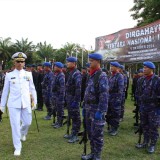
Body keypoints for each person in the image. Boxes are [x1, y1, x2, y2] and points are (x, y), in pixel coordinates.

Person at [0, 52, 37, 156]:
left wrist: (35, 101)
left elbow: (32, 88)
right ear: (14, 62)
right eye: (18, 61)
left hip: (26, 103)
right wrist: (2, 106)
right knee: (15, 125)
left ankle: (22, 133)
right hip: (13, 104)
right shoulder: (9, 75)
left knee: (27, 122)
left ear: (24, 62)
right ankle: (17, 147)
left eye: (22, 61)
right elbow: (5, 91)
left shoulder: (28, 74)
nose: (20, 63)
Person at [82, 53, 108, 160]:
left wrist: (101, 111)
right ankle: (92, 153)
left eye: (92, 60)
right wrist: (84, 106)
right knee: (90, 133)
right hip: (88, 109)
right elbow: (87, 92)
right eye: (90, 60)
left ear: (98, 62)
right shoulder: (91, 75)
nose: (89, 62)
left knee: (97, 134)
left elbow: (104, 95)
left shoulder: (102, 76)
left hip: (96, 110)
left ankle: (97, 155)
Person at [135, 61, 160, 153]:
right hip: (143, 107)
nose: (144, 69)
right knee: (144, 125)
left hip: (154, 108)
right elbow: (137, 92)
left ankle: (152, 144)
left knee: (153, 126)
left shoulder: (157, 80)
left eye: (146, 68)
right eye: (144, 67)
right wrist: (139, 101)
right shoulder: (141, 80)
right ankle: (145, 142)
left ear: (151, 69)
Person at [63, 57, 82, 143]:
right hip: (69, 98)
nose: (67, 63)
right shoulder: (71, 72)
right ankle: (72, 133)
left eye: (69, 62)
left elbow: (78, 88)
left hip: (74, 99)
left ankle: (75, 135)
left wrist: (76, 101)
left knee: (76, 118)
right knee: (71, 116)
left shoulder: (77, 74)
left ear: (74, 63)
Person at [107, 62, 124, 136]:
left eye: (113, 66)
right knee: (110, 113)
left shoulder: (119, 76)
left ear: (117, 68)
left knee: (115, 114)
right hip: (110, 97)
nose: (111, 68)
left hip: (116, 98)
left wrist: (118, 99)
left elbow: (120, 89)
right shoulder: (111, 76)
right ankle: (111, 127)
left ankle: (115, 128)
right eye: (111, 66)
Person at [52, 62, 65, 128]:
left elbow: (62, 87)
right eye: (54, 66)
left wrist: (61, 97)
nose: (54, 68)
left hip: (59, 96)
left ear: (59, 68)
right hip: (55, 95)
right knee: (56, 109)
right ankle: (58, 121)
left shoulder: (61, 75)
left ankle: (60, 123)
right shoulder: (56, 74)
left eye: (56, 67)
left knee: (60, 110)